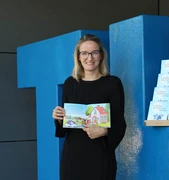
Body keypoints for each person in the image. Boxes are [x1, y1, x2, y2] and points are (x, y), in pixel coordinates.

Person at [52, 34, 126, 180]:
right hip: (72, 157)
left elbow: (120, 124)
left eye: (94, 52)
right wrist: (59, 118)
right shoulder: (70, 84)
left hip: (100, 156)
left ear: (101, 56)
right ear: (78, 57)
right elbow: (65, 128)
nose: (89, 58)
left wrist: (105, 131)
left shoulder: (113, 84)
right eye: (84, 53)